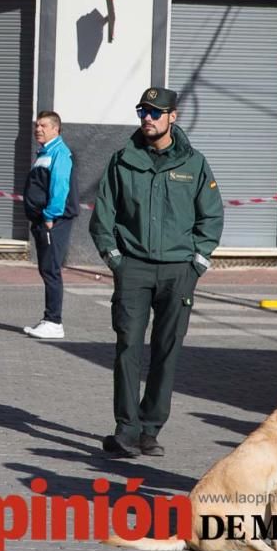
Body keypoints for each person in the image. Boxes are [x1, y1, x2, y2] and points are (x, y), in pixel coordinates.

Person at [89, 86, 224, 458]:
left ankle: (150, 428)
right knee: (128, 347)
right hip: (133, 269)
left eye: (154, 112)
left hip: (178, 271)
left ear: (172, 117)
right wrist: (116, 260)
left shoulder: (194, 164)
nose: (147, 118)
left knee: (167, 350)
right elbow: (103, 216)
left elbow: (211, 216)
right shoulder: (123, 160)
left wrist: (197, 263)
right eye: (142, 112)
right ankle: (126, 428)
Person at [22, 110, 79, 339]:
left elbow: (60, 186)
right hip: (43, 220)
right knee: (46, 268)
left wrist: (49, 216)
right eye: (37, 125)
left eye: (44, 125)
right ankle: (49, 319)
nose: (38, 129)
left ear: (56, 128)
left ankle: (54, 321)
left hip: (53, 221)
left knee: (51, 269)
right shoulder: (45, 152)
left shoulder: (60, 153)